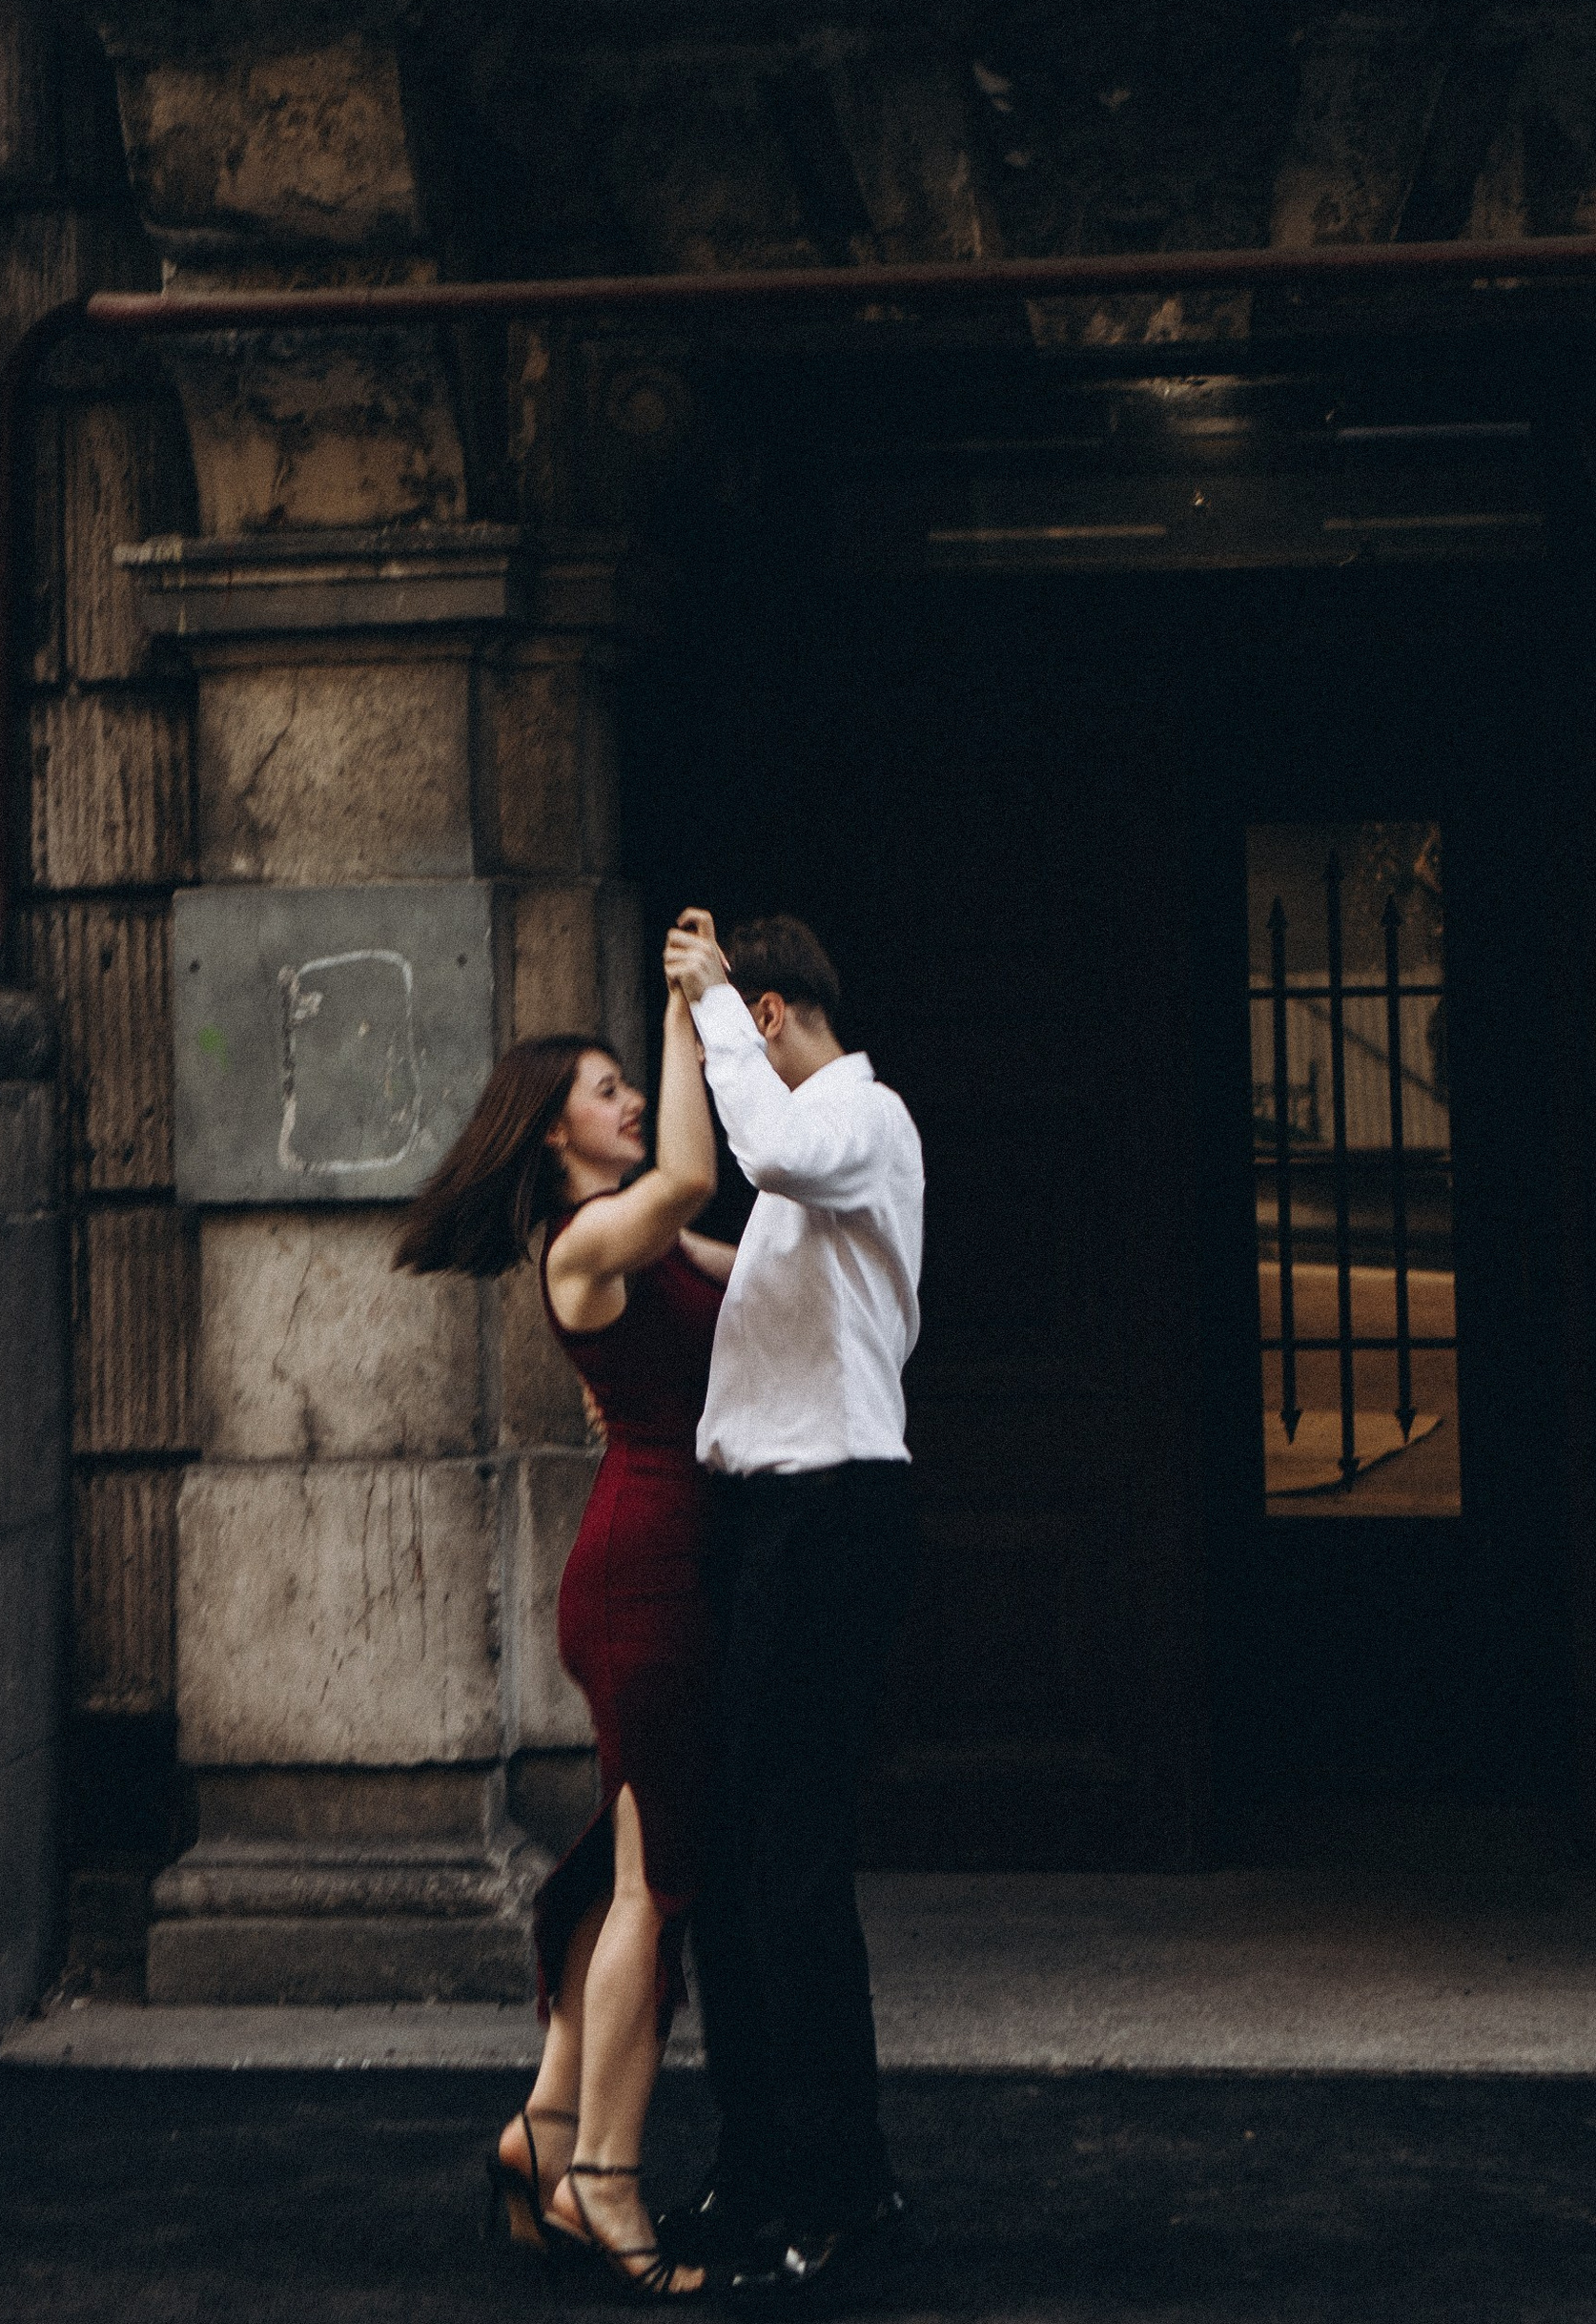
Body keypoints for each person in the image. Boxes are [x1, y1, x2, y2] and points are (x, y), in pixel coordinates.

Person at [395, 989, 733, 2299]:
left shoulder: (648, 1245)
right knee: (659, 1888)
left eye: (629, 1078)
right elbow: (698, 1170)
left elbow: (750, 1266)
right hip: (645, 1574)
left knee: (625, 1873)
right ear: (551, 1133)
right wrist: (690, 1012)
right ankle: (606, 2181)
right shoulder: (592, 1238)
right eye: (607, 1089)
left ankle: (540, 2134)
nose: (635, 1100)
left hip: (659, 1562)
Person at [658, 908, 926, 2304]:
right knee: (742, 1859)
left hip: (830, 1511)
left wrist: (703, 1000)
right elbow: (756, 1266)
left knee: (795, 1859)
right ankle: (760, 2160)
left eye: (733, 1019)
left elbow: (765, 1148)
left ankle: (847, 2176)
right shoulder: (803, 1174)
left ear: (769, 1016)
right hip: (764, 1517)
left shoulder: (861, 1117)